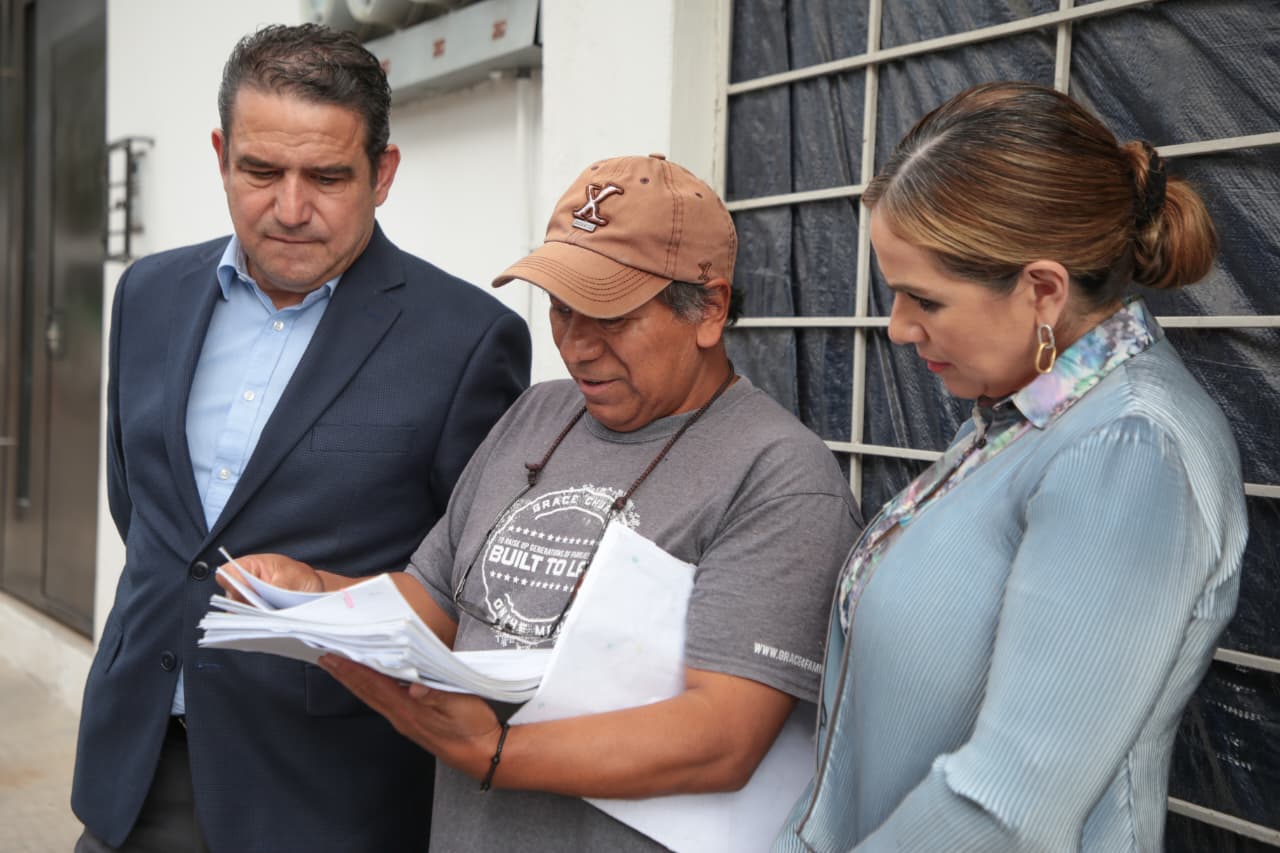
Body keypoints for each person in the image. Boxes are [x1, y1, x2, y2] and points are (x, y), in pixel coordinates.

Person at [223, 153, 862, 851]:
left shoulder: (779, 473)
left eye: (610, 314)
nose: (577, 346)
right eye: (561, 308)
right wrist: (316, 595)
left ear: (708, 307)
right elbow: (435, 601)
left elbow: (722, 737)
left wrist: (497, 755)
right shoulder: (536, 414)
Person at [71, 23, 531, 853]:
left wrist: (325, 594)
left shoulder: (467, 340)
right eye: (259, 171)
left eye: (326, 176)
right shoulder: (147, 295)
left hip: (326, 793)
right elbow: (143, 514)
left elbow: (478, 594)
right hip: (134, 766)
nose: (289, 208)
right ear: (221, 156)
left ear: (382, 173)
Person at [772, 81, 1249, 852]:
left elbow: (1008, 808)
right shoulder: (1027, 414)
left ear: (1042, 291)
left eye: (922, 298)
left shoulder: (1129, 453)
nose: (897, 328)